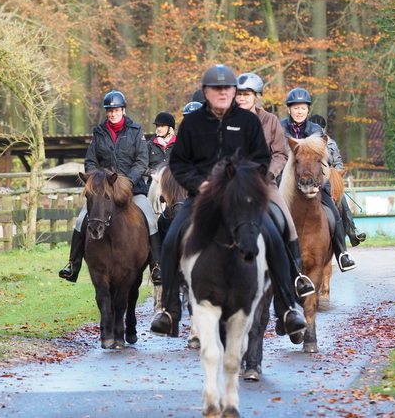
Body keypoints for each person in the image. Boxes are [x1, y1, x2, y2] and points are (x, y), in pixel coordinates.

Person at [150, 64, 306, 340]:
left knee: (275, 232)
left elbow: (262, 156)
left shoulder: (249, 122)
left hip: (245, 191)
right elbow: (179, 163)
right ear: (206, 92)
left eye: (229, 89)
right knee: (173, 236)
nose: (225, 94)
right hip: (203, 194)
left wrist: (251, 179)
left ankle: (287, 306)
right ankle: (170, 310)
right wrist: (199, 183)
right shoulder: (193, 123)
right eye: (216, 89)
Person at [59, 90, 163, 284]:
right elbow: (90, 161)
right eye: (110, 111)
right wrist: (98, 180)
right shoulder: (99, 132)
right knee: (81, 219)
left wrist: (127, 183)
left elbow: (141, 161)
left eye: (116, 110)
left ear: (123, 110)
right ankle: (73, 265)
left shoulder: (135, 130)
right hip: (104, 191)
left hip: (132, 189)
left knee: (149, 220)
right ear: (106, 112)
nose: (113, 113)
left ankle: (157, 267)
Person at [235, 72, 314, 298]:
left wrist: (268, 173)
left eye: (247, 95)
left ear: (256, 96)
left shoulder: (269, 120)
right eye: (239, 94)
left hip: (263, 182)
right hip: (233, 182)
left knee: (287, 222)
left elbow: (280, 154)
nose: (242, 98)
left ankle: (297, 277)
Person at [280, 88, 356, 272]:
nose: (299, 111)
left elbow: (323, 158)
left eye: (303, 108)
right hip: (285, 179)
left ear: (308, 110)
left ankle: (341, 253)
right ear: (289, 109)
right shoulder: (279, 127)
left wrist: (319, 180)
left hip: (314, 179)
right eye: (296, 108)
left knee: (333, 211)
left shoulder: (315, 130)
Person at [309, 113, 366, 248]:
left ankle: (352, 233)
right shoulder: (307, 143)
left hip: (329, 178)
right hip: (311, 179)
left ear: (323, 129)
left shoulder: (331, 143)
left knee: (342, 202)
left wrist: (335, 176)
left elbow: (338, 163)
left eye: (320, 128)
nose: (318, 130)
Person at [145, 112, 176, 181]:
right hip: (154, 182)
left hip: (173, 184)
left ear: (170, 128)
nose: (159, 129)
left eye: (162, 126)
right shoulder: (149, 145)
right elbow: (142, 165)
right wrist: (151, 172)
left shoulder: (179, 145)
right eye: (158, 126)